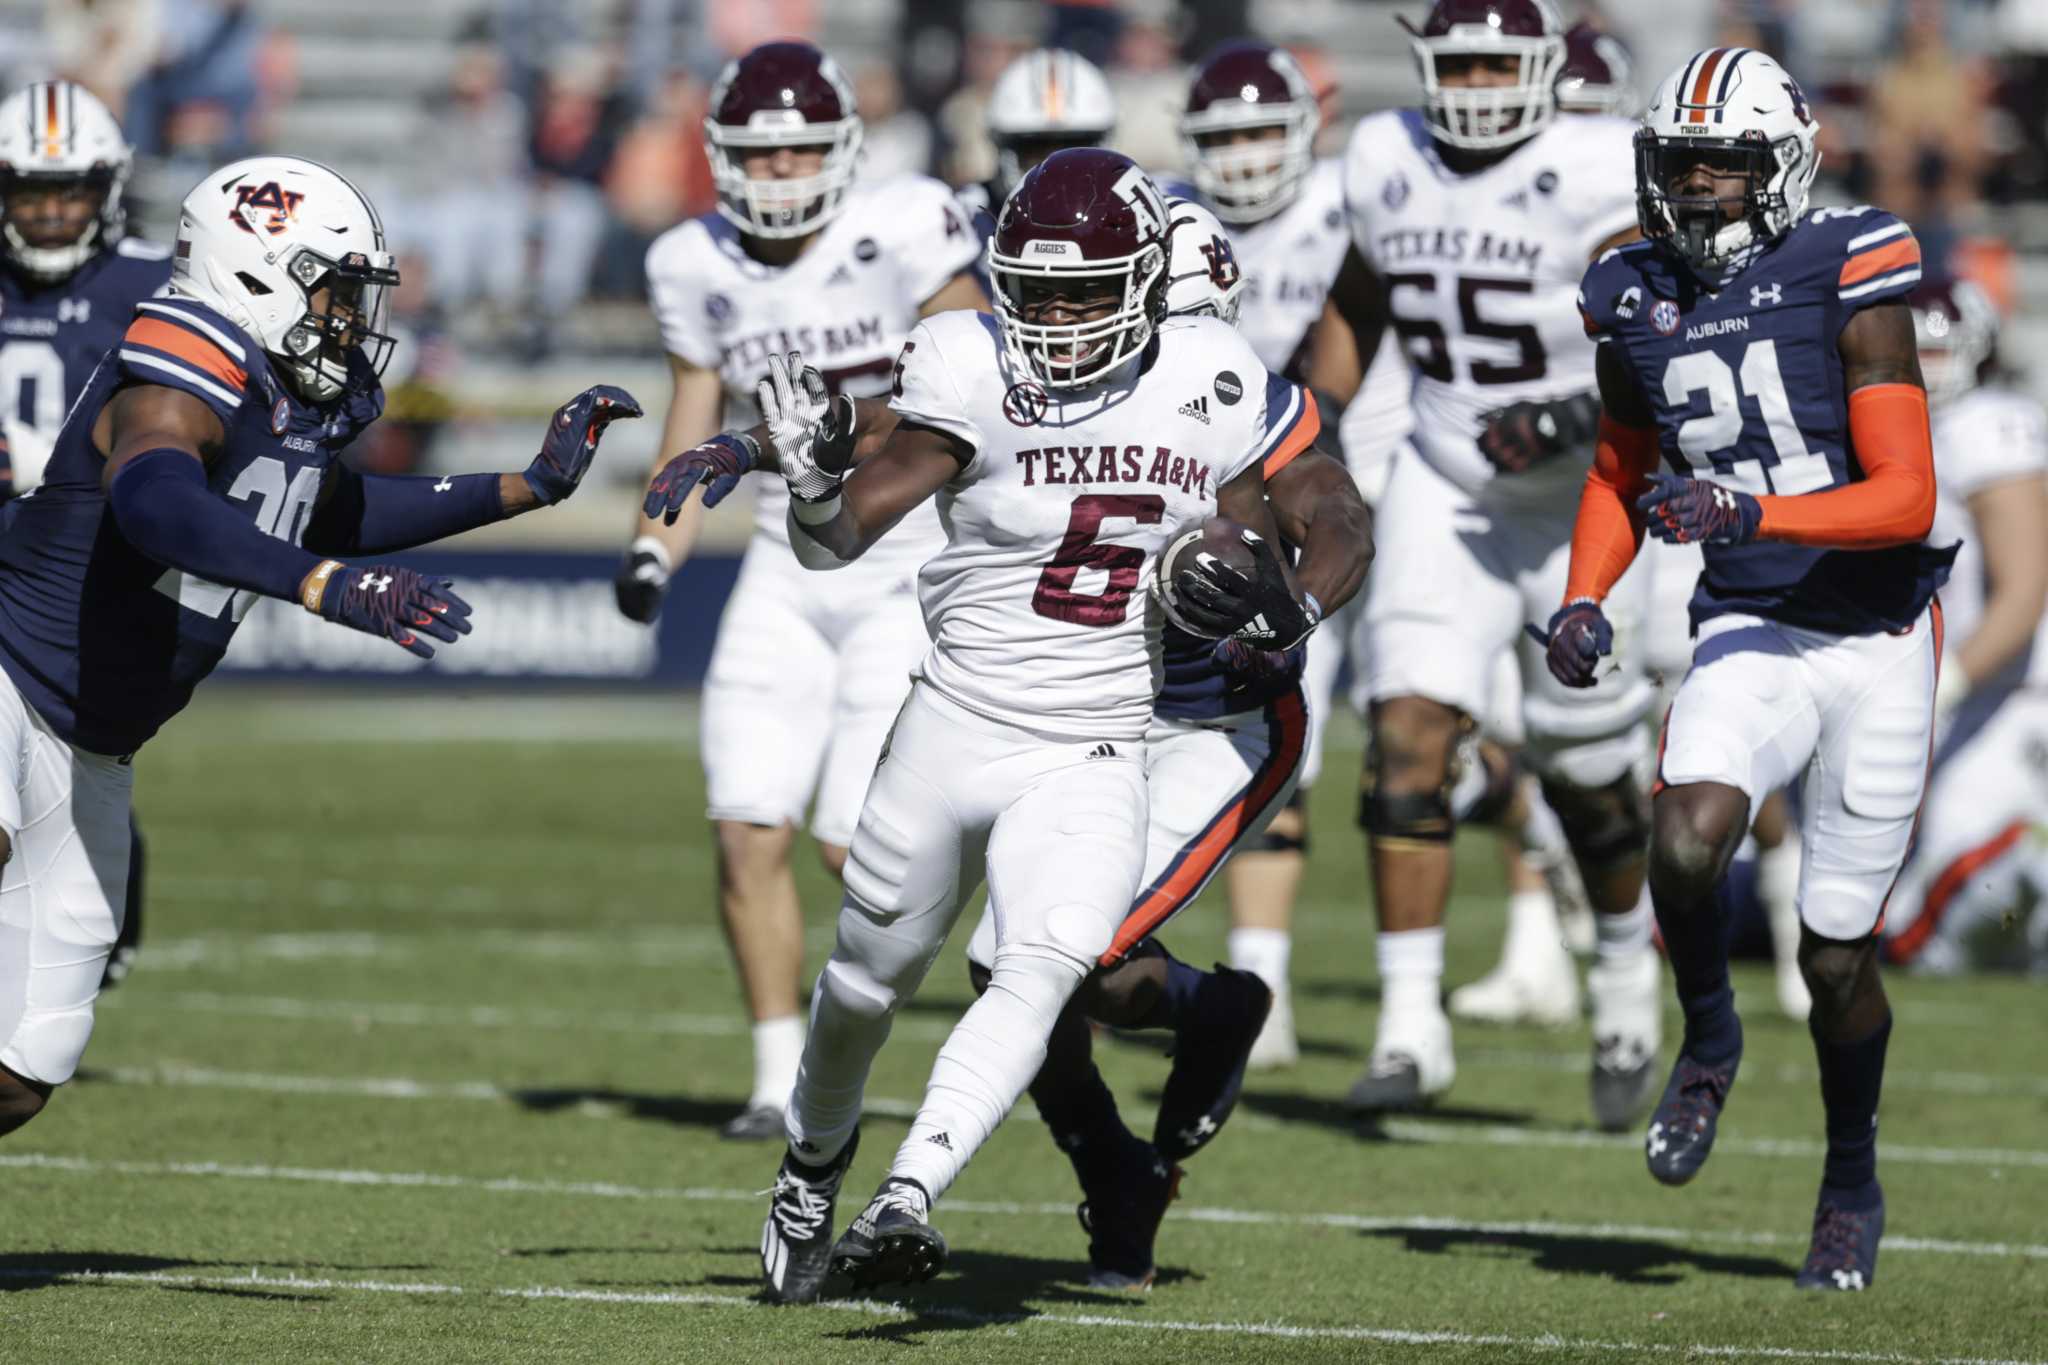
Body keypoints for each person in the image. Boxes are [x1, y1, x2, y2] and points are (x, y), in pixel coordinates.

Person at [644, 148, 1322, 1302]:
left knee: (1039, 959)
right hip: (955, 720)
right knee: (866, 984)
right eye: (1034, 290)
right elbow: (851, 507)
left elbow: (1298, 513)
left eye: (1087, 292)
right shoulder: (969, 356)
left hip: (1107, 735)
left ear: (1154, 285)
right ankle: (815, 1163)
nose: (1054, 318)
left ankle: (908, 1192)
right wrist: (790, 472)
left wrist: (1282, 600)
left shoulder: (1212, 370)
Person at [0, 154, 636, 1138]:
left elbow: (334, 509)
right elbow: (152, 499)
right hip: (7, 677)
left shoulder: (281, 394)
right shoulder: (182, 362)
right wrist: (317, 586)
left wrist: (523, 486)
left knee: (24, 1068)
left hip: (92, 745)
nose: (350, 315)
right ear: (254, 274)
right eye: (335, 289)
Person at [1559, 47, 1953, 1292]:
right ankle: (1707, 1038)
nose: (1700, 187)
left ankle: (1848, 1178)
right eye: (1681, 163)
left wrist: (1749, 515)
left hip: (1877, 637)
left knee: (1833, 953)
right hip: (1751, 626)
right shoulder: (1627, 287)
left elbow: (1904, 497)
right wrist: (1581, 594)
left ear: (1779, 169)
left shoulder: (1850, 267)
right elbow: (1620, 469)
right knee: (1681, 839)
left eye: (1724, 165)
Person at [953, 196, 1373, 1287]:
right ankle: (1120, 1161)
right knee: (1008, 968)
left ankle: (1177, 1068)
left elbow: (1336, 513)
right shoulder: (1039, 392)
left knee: (1041, 962)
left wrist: (1297, 608)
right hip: (1091, 714)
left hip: (1215, 720)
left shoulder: (1223, 391)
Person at [614, 39, 985, 1142]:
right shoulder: (692, 261)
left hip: (896, 560)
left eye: (798, 155)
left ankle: (1011, 964)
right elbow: (693, 412)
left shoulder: (904, 226)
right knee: (744, 826)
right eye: (757, 157)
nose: (776, 176)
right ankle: (778, 1077)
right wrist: (653, 546)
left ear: (841, 152)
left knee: (850, 846)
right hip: (782, 564)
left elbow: (973, 367)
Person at [1308, 0, 1663, 1128]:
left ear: (1542, 69)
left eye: (1490, 63)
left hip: (1586, 497)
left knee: (1583, 764)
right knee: (1404, 737)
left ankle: (1619, 981)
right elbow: (1356, 305)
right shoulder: (1382, 155)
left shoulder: (1598, 165)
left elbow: (1668, 323)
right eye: (1450, 61)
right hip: (1444, 482)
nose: (1468, 84)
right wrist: (1310, 429)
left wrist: (1569, 412)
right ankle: (1409, 1030)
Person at [1177, 39, 1415, 1068]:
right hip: (1250, 503)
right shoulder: (1176, 222)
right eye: (1219, 136)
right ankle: (1258, 980)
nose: (1236, 157)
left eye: (1255, 133)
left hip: (1378, 484)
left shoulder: (1347, 203)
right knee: (1275, 727)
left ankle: (1538, 921)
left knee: (1426, 721)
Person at [0, 81, 173, 990]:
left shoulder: (152, 283)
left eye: (70, 190)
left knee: (78, 749)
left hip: (78, 560)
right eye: (32, 191)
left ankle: (90, 929)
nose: (54, 211)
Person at [1881, 278, 2048, 973]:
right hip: (1960, 696)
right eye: (1906, 350)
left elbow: (2025, 588)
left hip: (2006, 698)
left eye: (1936, 351)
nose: (1922, 368)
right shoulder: (1890, 433)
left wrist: (1942, 687)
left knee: (1920, 933)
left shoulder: (1984, 424)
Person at [956, 47, 1118, 296]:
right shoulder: (965, 220)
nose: (1055, 174)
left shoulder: (1128, 215)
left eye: (1074, 152)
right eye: (1035, 153)